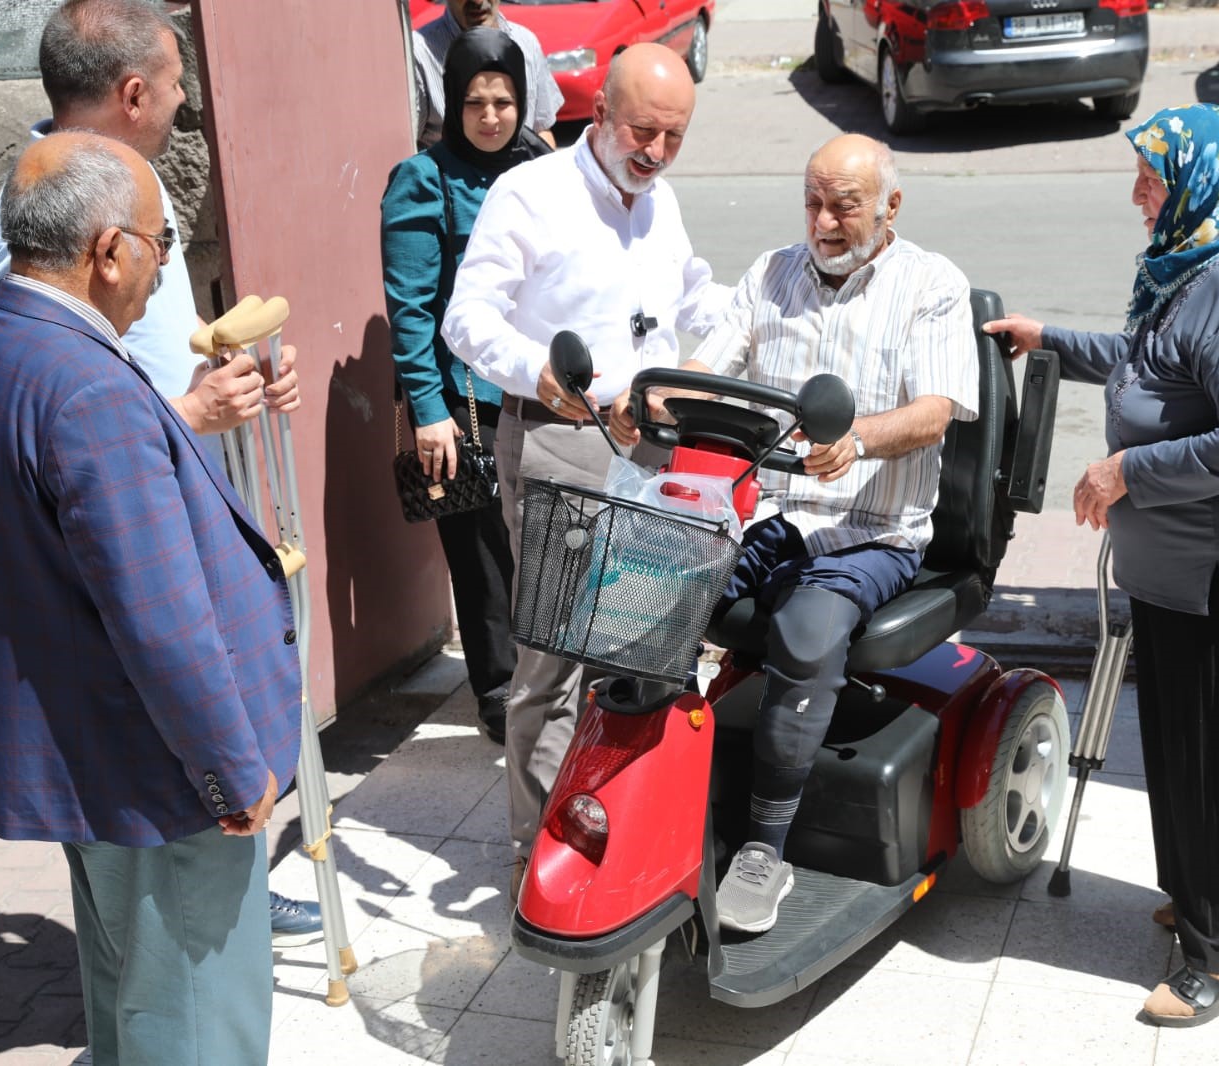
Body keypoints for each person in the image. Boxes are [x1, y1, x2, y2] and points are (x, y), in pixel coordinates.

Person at [0, 131, 302, 1066]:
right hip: (164, 776)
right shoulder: (88, 386)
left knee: (131, 1007)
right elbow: (159, 617)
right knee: (194, 1024)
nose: (161, 268)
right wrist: (233, 770)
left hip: (89, 759)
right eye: (159, 245)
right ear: (107, 252)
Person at [0, 0, 320, 941]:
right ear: (133, 91)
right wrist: (188, 415)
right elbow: (67, 429)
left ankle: (229, 876)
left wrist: (228, 379)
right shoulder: (48, 215)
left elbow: (142, 360)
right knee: (179, 950)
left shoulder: (125, 189)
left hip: (170, 474)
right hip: (138, 528)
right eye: (175, 82)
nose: (182, 100)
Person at [985, 103, 1219, 1028]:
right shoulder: (1197, 264)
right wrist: (1048, 338)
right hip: (1183, 565)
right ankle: (1217, 902)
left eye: (1152, 178)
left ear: (1199, 182)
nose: (1138, 195)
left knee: (1212, 756)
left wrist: (1124, 469)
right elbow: (1148, 363)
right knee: (1185, 750)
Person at [609, 133, 978, 934]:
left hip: (871, 529)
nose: (823, 221)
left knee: (806, 635)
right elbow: (710, 366)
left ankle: (764, 850)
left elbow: (937, 409)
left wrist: (860, 439)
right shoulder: (770, 273)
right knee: (644, 596)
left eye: (844, 205)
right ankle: (646, 789)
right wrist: (652, 400)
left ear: (889, 206)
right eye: (812, 202)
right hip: (769, 514)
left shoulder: (930, 283)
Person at [441, 42, 731, 895]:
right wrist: (544, 374)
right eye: (644, 130)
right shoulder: (529, 193)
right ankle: (541, 853)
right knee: (553, 657)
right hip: (562, 437)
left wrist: (747, 328)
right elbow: (467, 319)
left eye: (675, 137)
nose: (657, 152)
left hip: (651, 446)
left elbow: (693, 299)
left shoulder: (662, 199)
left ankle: (625, 819)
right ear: (599, 113)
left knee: (647, 641)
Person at [382, 28, 551, 744]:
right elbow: (410, 306)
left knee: (544, 547)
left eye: (504, 101)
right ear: (453, 102)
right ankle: (497, 688)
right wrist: (427, 408)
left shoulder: (542, 168)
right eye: (475, 102)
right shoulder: (423, 178)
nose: (490, 116)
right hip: (465, 404)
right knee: (481, 557)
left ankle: (549, 679)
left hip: (539, 392)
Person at [414, 0, 561, 150]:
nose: (478, 1)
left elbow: (541, 130)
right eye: (474, 103)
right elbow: (409, 146)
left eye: (503, 103)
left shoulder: (526, 42)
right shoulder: (419, 53)